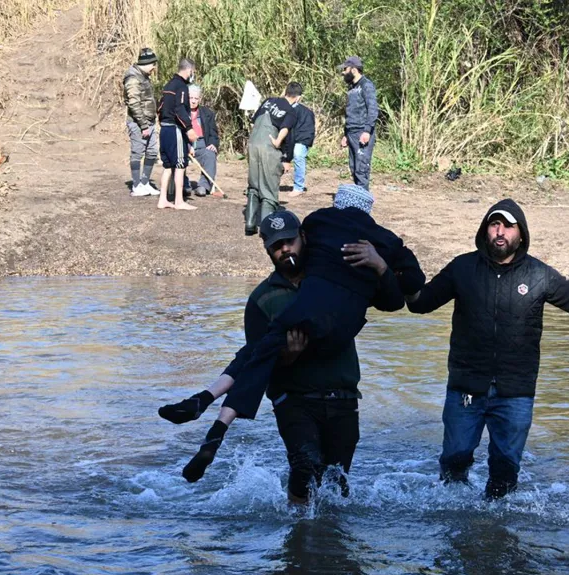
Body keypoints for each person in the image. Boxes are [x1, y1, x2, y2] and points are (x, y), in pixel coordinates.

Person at [169, 185, 425, 484]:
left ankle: (209, 410)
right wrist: (288, 357)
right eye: (276, 246)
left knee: (336, 484)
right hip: (295, 401)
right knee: (304, 472)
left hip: (342, 396)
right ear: (266, 250)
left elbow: (392, 302)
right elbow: (256, 360)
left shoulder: (347, 264)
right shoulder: (263, 298)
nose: (285, 250)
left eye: (290, 241)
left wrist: (380, 264)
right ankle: (212, 420)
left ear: (305, 238)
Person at [405, 198, 569, 499]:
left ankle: (497, 532)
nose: (500, 232)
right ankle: (455, 526)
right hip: (466, 389)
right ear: (485, 230)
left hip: (515, 392)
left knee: (505, 475)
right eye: (495, 224)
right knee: (454, 463)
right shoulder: (462, 268)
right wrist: (398, 271)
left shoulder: (538, 275)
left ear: (521, 234)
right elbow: (420, 303)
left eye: (508, 226)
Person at [244, 83, 301, 235]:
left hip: (253, 144)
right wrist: (279, 144)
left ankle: (249, 224)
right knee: (269, 188)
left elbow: (254, 120)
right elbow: (285, 129)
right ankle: (266, 229)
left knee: (254, 185)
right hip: (269, 147)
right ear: (298, 98)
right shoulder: (291, 111)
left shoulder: (268, 101)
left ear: (285, 91)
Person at [157, 59, 197, 211]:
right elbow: (180, 109)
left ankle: (163, 199)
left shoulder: (168, 85)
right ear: (189, 70)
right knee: (180, 164)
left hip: (164, 129)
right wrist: (188, 128)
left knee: (168, 166)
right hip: (174, 129)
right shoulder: (181, 87)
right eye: (193, 72)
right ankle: (179, 201)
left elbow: (160, 107)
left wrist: (162, 122)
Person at [122, 48, 161, 197]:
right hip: (138, 123)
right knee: (137, 153)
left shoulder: (144, 76)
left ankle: (145, 183)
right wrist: (143, 125)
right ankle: (137, 185)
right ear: (146, 63)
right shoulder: (133, 78)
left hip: (149, 122)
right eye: (153, 64)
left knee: (152, 152)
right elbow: (134, 103)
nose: (154, 68)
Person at [338, 56, 378, 189]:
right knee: (354, 168)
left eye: (345, 69)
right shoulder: (351, 88)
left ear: (354, 70)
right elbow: (350, 111)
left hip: (362, 132)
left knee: (362, 169)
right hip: (351, 132)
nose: (343, 72)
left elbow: (372, 109)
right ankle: (357, 199)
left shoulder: (366, 85)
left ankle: (363, 204)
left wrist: (367, 131)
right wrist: (345, 134)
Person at [187, 84, 220, 197]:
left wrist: (213, 144)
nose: (193, 101)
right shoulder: (180, 112)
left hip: (202, 143)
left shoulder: (207, 113)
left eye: (196, 98)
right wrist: (187, 146)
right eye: (191, 98)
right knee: (178, 156)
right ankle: (184, 184)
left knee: (210, 153)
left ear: (200, 99)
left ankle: (203, 186)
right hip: (185, 144)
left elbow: (213, 133)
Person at [289, 86, 315, 198]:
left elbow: (308, 132)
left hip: (301, 139)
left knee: (298, 154)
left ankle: (298, 187)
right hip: (287, 139)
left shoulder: (306, 112)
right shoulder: (282, 109)